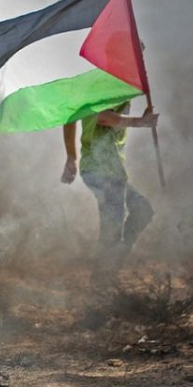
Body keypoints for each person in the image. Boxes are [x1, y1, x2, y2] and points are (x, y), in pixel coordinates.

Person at [61, 100, 158, 283]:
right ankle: (102, 281)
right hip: (101, 169)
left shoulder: (113, 91)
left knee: (142, 210)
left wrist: (71, 157)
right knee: (113, 230)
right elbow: (103, 117)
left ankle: (109, 269)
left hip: (111, 170)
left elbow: (72, 115)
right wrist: (140, 122)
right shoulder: (109, 89)